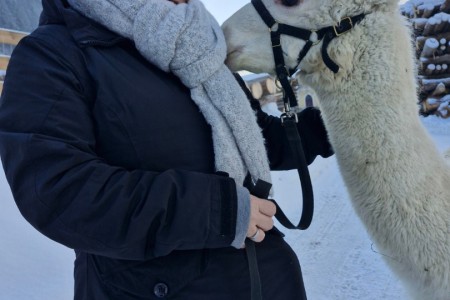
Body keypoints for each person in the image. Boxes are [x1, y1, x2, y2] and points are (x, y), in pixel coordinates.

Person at [0, 0, 333, 299]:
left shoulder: (200, 48)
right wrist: (217, 212)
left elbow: (260, 139)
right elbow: (58, 191)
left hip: (269, 278)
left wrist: (339, 126)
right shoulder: (56, 54)